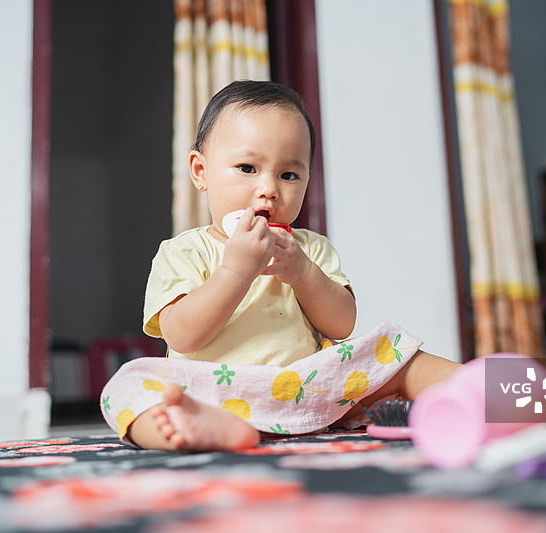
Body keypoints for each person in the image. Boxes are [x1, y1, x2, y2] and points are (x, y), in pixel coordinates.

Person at [100, 80, 461, 451]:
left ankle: (510, 395)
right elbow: (182, 336)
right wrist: (235, 272)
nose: (269, 189)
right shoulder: (185, 251)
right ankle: (203, 428)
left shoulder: (309, 249)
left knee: (396, 351)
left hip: (306, 388)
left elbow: (342, 324)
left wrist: (302, 273)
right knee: (127, 386)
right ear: (200, 171)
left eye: (289, 175)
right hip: (208, 393)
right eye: (246, 167)